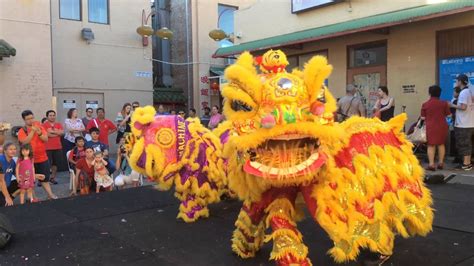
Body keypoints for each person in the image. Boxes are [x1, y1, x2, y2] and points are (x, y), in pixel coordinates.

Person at [17, 110, 57, 199]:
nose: (31, 120)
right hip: (29, 160)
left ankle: (50, 195)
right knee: (30, 180)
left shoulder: (40, 126)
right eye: (28, 119)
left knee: (45, 178)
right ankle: (33, 198)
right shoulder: (21, 131)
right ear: (24, 120)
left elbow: (45, 139)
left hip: (42, 157)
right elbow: (24, 142)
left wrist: (38, 132)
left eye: (32, 118)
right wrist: (32, 131)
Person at [420, 85, 451, 171]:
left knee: (431, 145)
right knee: (441, 144)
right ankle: (441, 163)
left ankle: (431, 164)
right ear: (439, 94)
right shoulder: (444, 103)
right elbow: (449, 115)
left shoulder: (425, 104)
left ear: (429, 93)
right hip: (442, 126)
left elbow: (422, 118)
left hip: (431, 127)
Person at [449, 74, 474, 170]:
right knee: (468, 144)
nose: (456, 83)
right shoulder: (470, 91)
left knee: (464, 144)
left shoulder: (463, 93)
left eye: (456, 81)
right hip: (470, 122)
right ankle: (468, 162)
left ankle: (466, 164)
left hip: (464, 124)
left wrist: (451, 105)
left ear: (460, 81)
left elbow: (463, 107)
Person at [43, 110, 64, 184]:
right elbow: (47, 135)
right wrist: (57, 132)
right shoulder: (44, 125)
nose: (52, 117)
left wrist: (52, 132)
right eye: (50, 115)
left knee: (55, 164)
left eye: (53, 115)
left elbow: (62, 133)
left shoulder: (58, 124)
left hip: (57, 147)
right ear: (47, 116)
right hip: (47, 148)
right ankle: (43, 179)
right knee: (46, 164)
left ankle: (52, 178)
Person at [449, 87, 462, 163]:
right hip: (460, 123)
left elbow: (451, 112)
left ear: (458, 93)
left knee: (456, 140)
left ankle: (457, 157)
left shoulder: (455, 101)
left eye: (454, 92)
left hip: (457, 123)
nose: (453, 93)